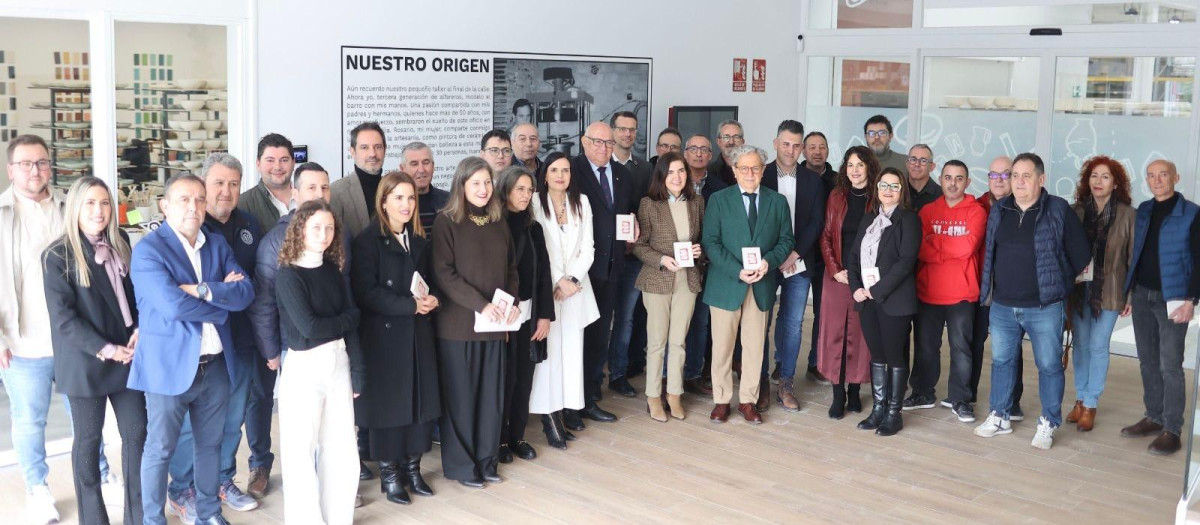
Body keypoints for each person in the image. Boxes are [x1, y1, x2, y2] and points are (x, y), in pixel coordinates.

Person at [129, 173, 254, 525]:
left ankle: (209, 514)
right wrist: (220, 302)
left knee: (210, 445)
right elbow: (171, 305)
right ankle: (153, 520)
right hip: (167, 367)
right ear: (165, 205)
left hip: (214, 366)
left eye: (200, 199)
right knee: (161, 449)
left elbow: (245, 293)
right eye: (184, 199)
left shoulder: (216, 244)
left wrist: (200, 289)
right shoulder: (149, 249)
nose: (193, 207)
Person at [43, 176, 145, 525]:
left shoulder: (122, 241)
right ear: (75, 207)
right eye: (90, 203)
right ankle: (93, 519)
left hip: (128, 358)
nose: (99, 210)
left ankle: (137, 516)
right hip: (87, 361)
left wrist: (139, 331)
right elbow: (64, 320)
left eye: (104, 203)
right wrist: (107, 348)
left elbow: (135, 295)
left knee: (136, 433)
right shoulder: (57, 255)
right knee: (88, 441)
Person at [168, 154, 263, 518]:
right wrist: (221, 289)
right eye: (219, 183)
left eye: (234, 183)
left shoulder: (250, 225)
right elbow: (180, 294)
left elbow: (250, 288)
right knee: (192, 428)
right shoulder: (189, 227)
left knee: (232, 419)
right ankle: (182, 487)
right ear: (204, 187)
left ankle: (222, 479)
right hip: (196, 346)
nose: (226, 191)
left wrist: (209, 289)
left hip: (240, 341)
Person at [974, 153, 1090, 450]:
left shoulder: (1057, 209)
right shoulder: (1000, 209)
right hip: (1002, 304)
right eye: (1015, 176)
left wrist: (1058, 284)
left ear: (1041, 179)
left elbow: (1080, 255)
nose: (1020, 181)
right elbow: (991, 253)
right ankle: (999, 415)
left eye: (1027, 176)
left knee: (1049, 365)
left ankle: (1049, 421)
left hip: (1043, 307)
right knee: (1002, 361)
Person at [351, 171, 440, 505]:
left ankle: (413, 470)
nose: (406, 204)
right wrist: (410, 306)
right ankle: (391, 476)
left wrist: (433, 300)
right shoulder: (367, 241)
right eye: (398, 198)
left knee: (420, 403)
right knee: (389, 411)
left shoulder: (418, 240)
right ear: (383, 201)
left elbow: (429, 281)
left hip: (418, 334)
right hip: (385, 340)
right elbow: (367, 293)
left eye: (411, 198)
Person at [247, 162, 334, 500]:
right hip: (291, 345)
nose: (319, 194)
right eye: (311, 188)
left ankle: (327, 479)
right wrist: (271, 350)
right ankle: (294, 483)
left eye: (324, 188)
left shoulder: (335, 232)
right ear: (295, 194)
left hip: (330, 344)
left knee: (327, 418)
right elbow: (265, 303)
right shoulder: (276, 241)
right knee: (299, 423)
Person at [431, 157, 520, 487]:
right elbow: (444, 273)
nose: (483, 189)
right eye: (476, 183)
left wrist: (508, 303)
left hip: (495, 327)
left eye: (487, 182)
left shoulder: (499, 221)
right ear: (462, 186)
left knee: (490, 398)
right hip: (459, 327)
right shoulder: (446, 222)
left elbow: (512, 268)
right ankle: (462, 467)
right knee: (462, 400)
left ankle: (486, 460)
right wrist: (481, 305)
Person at [275, 199, 364, 523]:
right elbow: (308, 328)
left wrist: (358, 371)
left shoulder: (334, 270)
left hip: (339, 362)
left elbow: (343, 324)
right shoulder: (287, 276)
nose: (324, 234)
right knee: (301, 453)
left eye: (329, 228)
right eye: (316, 227)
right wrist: (348, 319)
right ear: (300, 230)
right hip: (304, 367)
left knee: (341, 448)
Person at [0, 134, 73, 523]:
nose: (35, 170)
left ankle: (98, 472)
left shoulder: (68, 205)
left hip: (72, 338)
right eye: (26, 164)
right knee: (30, 420)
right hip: (22, 342)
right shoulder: (1, 213)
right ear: (11, 169)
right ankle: (37, 488)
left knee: (84, 411)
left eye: (41, 162)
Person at [701, 145, 794, 424]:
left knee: (754, 347)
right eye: (744, 168)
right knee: (722, 347)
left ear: (764, 170)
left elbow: (786, 241)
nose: (750, 173)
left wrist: (769, 261)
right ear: (734, 170)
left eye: (755, 168)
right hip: (727, 283)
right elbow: (711, 243)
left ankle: (748, 401)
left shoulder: (777, 202)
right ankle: (721, 400)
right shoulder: (718, 200)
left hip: (762, 284)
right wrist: (738, 271)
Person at [1121, 159, 1200, 455]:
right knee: (1147, 360)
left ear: (1175, 177)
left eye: (1163, 175)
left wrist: (1192, 300)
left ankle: (1172, 429)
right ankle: (1153, 417)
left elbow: (1198, 260)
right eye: (1151, 176)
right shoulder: (1144, 211)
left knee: (1170, 365)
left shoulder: (1191, 213)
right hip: (1142, 294)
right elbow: (1136, 253)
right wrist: (1128, 292)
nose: (1157, 180)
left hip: (1175, 299)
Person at [529, 152, 599, 448]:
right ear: (544, 174)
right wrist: (558, 279)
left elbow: (589, 247)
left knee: (571, 355)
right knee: (549, 358)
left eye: (566, 170)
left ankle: (566, 411)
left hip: (575, 291)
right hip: (547, 290)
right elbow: (538, 248)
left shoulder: (581, 202)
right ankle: (549, 417)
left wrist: (571, 280)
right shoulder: (533, 202)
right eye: (554, 170)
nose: (560, 175)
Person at [910, 161, 986, 423]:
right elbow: (920, 248)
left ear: (968, 182)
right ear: (940, 180)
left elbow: (968, 246)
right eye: (948, 177)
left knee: (961, 348)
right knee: (925, 347)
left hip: (962, 292)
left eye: (959, 178)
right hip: (928, 290)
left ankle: (960, 399)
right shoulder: (928, 211)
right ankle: (922, 392)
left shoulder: (976, 212)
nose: (953, 183)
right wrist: (949, 248)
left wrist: (936, 243)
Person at [847, 167, 921, 436]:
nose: (887, 190)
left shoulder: (909, 220)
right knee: (877, 355)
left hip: (893, 300)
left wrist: (875, 290)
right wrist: (856, 287)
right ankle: (878, 409)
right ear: (876, 189)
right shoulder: (869, 219)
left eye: (894, 186)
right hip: (866, 300)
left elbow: (905, 263)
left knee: (894, 356)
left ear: (902, 191)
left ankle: (893, 413)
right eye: (883, 185)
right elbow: (853, 256)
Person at [632, 151, 705, 421]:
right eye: (671, 172)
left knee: (679, 342)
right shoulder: (649, 204)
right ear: (661, 176)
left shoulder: (697, 202)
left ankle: (674, 394)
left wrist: (699, 250)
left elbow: (704, 239)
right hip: (657, 280)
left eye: (681, 171)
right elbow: (639, 246)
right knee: (657, 342)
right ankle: (653, 396)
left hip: (687, 279)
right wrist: (662, 259)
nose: (677, 177)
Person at [572, 121, 636, 424]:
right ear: (584, 142)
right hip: (580, 271)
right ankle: (572, 400)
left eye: (609, 143)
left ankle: (591, 394)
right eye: (598, 142)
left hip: (613, 268)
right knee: (577, 336)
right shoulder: (571, 171)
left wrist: (632, 230)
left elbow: (625, 214)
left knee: (600, 334)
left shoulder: (623, 174)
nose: (604, 148)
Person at [1065, 156, 1134, 432]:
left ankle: (1091, 403)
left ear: (1115, 183)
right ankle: (1080, 399)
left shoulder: (1129, 215)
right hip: (1080, 289)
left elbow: (1133, 259)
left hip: (1111, 290)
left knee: (1098, 344)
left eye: (1105, 177)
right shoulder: (1076, 212)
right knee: (1080, 344)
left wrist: (1130, 296)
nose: (1098, 181)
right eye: (1094, 176)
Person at [761, 120, 825, 412]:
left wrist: (794, 253)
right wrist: (774, 256)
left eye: (796, 145)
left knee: (794, 323)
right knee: (761, 321)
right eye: (785, 143)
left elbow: (816, 223)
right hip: (764, 261)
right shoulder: (758, 175)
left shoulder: (814, 181)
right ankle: (761, 380)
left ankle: (786, 381)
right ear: (775, 143)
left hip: (798, 261)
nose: (791, 149)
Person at [496, 166, 554, 460]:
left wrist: (544, 315)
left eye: (529, 190)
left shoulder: (534, 227)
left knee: (524, 377)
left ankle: (518, 436)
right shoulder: (495, 225)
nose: (525, 194)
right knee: (505, 378)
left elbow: (544, 273)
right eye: (519, 188)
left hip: (530, 314)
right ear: (505, 189)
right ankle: (500, 440)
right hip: (503, 315)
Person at [818, 146, 879, 419]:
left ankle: (855, 390)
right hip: (838, 277)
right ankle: (837, 393)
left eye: (860, 165)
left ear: (869, 167)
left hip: (865, 279)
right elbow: (827, 236)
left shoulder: (878, 198)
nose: (855, 170)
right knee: (834, 335)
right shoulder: (836, 195)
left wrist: (865, 276)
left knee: (861, 335)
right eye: (850, 164)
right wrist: (834, 269)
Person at [970, 156, 1025, 418]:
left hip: (1010, 290)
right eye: (994, 175)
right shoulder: (976, 205)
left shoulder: (1024, 206)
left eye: (1006, 175)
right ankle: (968, 394)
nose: (1000, 180)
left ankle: (1012, 401)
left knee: (1010, 348)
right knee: (975, 341)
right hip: (981, 288)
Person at [607, 110, 653, 396]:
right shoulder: (595, 165)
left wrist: (636, 240)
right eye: (622, 129)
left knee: (626, 317)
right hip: (604, 255)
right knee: (601, 318)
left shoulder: (645, 168)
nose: (627, 134)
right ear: (613, 131)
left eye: (632, 129)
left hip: (634, 255)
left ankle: (618, 373)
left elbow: (647, 211)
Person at [682, 133, 726, 396]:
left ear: (710, 156)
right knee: (676, 322)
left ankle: (693, 374)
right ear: (685, 153)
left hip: (708, 265)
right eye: (693, 148)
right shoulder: (673, 182)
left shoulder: (720, 188)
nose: (699, 153)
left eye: (704, 150)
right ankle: (669, 376)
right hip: (677, 264)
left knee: (701, 322)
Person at [798, 131, 835, 386]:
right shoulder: (795, 176)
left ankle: (816, 363)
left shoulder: (838, 180)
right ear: (803, 151)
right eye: (812, 147)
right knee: (793, 314)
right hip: (799, 254)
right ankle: (782, 364)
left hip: (827, 257)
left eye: (822, 147)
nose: (817, 151)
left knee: (824, 313)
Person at [332, 121, 388, 239]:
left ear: (385, 150)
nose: (372, 154)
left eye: (378, 147)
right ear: (352, 152)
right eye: (364, 148)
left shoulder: (392, 189)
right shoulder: (336, 192)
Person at [239, 133, 296, 229]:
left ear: (293, 163)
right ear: (258, 164)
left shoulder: (309, 197)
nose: (278, 167)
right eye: (270, 160)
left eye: (284, 160)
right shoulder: (243, 204)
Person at [399, 141, 450, 233]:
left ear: (433, 166)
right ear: (402, 169)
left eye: (426, 162)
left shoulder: (450, 201)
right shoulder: (395, 205)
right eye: (414, 164)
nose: (421, 170)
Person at [905, 144, 942, 211]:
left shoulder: (942, 196)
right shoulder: (897, 191)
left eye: (923, 161)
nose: (917, 164)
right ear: (907, 164)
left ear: (931, 167)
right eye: (913, 159)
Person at [709, 119, 744, 186]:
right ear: (718, 141)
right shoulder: (709, 172)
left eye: (736, 137)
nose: (731, 142)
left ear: (742, 141)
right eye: (726, 137)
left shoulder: (752, 171)